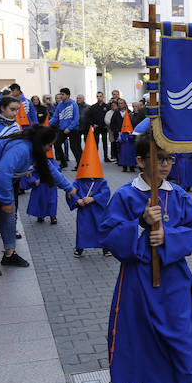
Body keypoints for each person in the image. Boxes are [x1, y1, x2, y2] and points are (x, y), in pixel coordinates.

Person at [100, 133, 192, 383]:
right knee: (145, 336)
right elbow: (109, 236)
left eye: (169, 159)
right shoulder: (126, 196)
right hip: (138, 280)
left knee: (182, 336)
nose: (166, 165)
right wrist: (139, 224)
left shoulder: (177, 195)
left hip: (173, 280)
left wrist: (168, 236)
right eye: (159, 159)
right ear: (140, 161)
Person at [0, 126, 74, 275]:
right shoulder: (21, 149)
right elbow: (4, 174)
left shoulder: (36, 150)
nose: (50, 148)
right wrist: (6, 201)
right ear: (41, 142)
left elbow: (50, 169)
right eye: (50, 145)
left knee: (9, 215)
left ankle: (9, 254)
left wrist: (69, 188)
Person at [66, 127, 112, 257]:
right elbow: (71, 191)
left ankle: (105, 247)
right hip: (84, 210)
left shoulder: (101, 181)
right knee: (83, 228)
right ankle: (80, 247)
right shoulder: (79, 181)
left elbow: (105, 192)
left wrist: (93, 198)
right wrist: (77, 200)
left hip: (98, 209)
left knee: (101, 226)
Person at [49, 88, 81, 169]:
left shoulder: (73, 104)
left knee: (74, 147)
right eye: (60, 94)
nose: (61, 96)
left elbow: (76, 118)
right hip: (62, 129)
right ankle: (63, 163)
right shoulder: (60, 105)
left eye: (63, 94)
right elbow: (55, 117)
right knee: (56, 144)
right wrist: (47, 124)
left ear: (67, 95)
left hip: (73, 129)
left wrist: (69, 128)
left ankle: (79, 164)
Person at [89, 91, 111, 162]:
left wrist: (107, 125)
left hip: (104, 127)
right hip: (96, 127)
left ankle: (106, 157)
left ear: (103, 97)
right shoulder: (93, 107)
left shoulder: (107, 106)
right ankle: (95, 157)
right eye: (97, 96)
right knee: (95, 143)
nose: (99, 97)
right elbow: (90, 117)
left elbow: (109, 116)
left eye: (100, 96)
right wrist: (93, 124)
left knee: (105, 143)